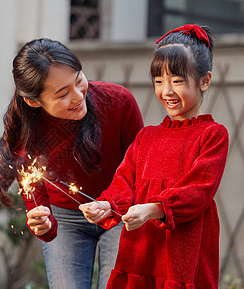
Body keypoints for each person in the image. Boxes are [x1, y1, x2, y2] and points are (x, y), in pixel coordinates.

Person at [80, 24, 229, 288]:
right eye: (159, 81)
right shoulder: (146, 136)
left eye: (177, 81)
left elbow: (198, 190)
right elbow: (124, 181)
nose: (167, 91)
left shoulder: (212, 134)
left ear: (204, 80)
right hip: (140, 247)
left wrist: (153, 209)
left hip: (183, 249)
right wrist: (106, 205)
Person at [0, 38, 144, 288]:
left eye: (78, 80)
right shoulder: (26, 134)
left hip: (121, 211)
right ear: (33, 101)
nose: (77, 96)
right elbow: (40, 211)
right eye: (63, 93)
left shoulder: (118, 102)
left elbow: (141, 170)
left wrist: (112, 203)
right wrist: (42, 224)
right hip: (67, 220)